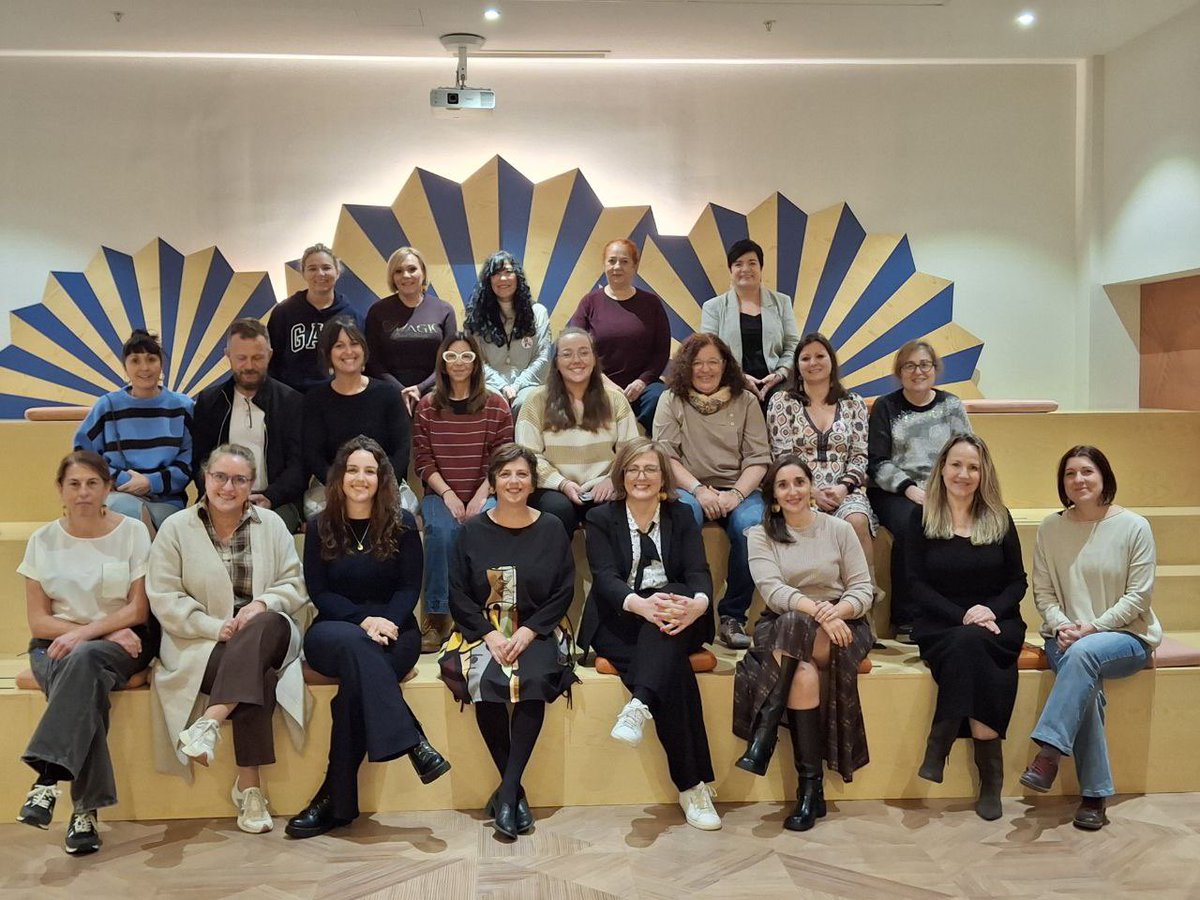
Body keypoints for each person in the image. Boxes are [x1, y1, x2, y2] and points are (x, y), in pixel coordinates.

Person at [286, 437, 451, 839]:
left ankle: (333, 801)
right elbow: (320, 592)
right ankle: (411, 738)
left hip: (396, 630)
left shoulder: (403, 523)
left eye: (370, 471)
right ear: (339, 477)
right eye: (353, 470)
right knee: (357, 648)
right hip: (335, 629)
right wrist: (364, 621)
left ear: (382, 479)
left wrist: (385, 621)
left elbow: (409, 587)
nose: (360, 478)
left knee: (353, 696)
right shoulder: (320, 524)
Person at [147, 444, 310, 835]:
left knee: (266, 624)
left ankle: (209, 723)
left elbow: (294, 583)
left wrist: (262, 604)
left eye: (239, 479)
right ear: (205, 478)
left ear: (251, 485)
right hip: (201, 643)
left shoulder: (272, 524)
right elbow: (164, 595)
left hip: (268, 632)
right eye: (220, 477)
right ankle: (250, 789)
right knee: (257, 676)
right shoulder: (176, 528)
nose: (228, 487)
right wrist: (212, 627)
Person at [15, 451, 157, 855]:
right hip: (57, 644)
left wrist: (95, 634)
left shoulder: (132, 532)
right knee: (83, 673)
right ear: (60, 490)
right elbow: (39, 623)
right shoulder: (43, 540)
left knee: (85, 660)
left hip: (125, 643)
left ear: (108, 488)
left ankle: (47, 779)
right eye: (74, 484)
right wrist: (90, 634)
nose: (83, 492)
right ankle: (84, 811)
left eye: (93, 483)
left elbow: (138, 609)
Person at [1019, 446, 1160, 831]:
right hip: (1064, 637)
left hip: (1126, 636)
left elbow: (1138, 596)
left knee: (1084, 655)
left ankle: (1049, 753)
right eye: (1070, 473)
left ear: (1104, 477)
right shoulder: (1051, 528)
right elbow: (1043, 593)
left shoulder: (1135, 527)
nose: (1078, 480)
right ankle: (1094, 797)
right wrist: (1065, 625)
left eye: (1087, 471)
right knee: (1087, 682)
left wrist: (1093, 628)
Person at [582, 438, 721, 830]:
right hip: (622, 618)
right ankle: (693, 786)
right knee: (674, 676)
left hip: (679, 617)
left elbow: (698, 571)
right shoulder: (600, 518)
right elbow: (605, 578)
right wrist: (641, 605)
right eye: (633, 469)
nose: (641, 477)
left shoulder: (682, 514)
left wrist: (697, 604)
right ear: (621, 475)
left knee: (672, 596)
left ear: (663, 477)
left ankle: (638, 705)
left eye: (650, 469)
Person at [442, 444, 577, 839]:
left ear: (533, 482)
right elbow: (457, 595)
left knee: (534, 679)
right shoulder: (471, 532)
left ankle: (505, 794)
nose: (514, 482)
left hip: (536, 628)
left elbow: (563, 590)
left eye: (521, 474)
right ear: (492, 482)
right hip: (483, 628)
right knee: (485, 681)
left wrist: (528, 631)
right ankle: (513, 794)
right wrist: (488, 634)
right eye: (505, 474)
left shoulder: (552, 527)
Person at [733, 456, 874, 832]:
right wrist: (817, 611)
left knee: (797, 628)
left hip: (842, 625)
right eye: (783, 485)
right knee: (803, 673)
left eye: (799, 482)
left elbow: (863, 589)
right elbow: (773, 591)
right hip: (782, 623)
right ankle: (811, 790)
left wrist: (834, 612)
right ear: (774, 497)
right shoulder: (760, 535)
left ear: (811, 486)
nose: (793, 490)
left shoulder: (839, 529)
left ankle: (764, 735)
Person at [906, 434, 1026, 821]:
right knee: (969, 644)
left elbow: (1017, 582)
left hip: (997, 621)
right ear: (942, 469)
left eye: (973, 467)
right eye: (956, 465)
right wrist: (963, 616)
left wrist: (987, 611)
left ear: (983, 473)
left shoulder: (999, 517)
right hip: (942, 622)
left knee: (972, 645)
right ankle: (991, 780)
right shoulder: (921, 518)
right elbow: (915, 585)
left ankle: (940, 739)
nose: (964, 474)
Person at [653, 333, 770, 650]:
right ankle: (684, 608)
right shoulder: (671, 399)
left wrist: (736, 495)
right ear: (686, 367)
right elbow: (665, 457)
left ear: (725, 365)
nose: (705, 370)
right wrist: (699, 491)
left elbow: (759, 459)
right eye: (697, 363)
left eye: (713, 362)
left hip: (739, 488)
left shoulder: (746, 401)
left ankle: (732, 616)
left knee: (752, 527)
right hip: (688, 486)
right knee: (683, 516)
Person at [412, 332, 514, 651]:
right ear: (442, 363)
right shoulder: (427, 407)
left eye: (466, 356)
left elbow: (502, 457)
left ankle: (496, 613)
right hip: (440, 493)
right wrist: (448, 495)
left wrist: (483, 494)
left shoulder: (496, 405)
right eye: (451, 356)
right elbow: (423, 460)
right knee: (441, 532)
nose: (459, 363)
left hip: (487, 490)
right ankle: (437, 617)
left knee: (493, 529)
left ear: (476, 363)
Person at [867, 339, 971, 642]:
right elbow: (876, 462)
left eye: (924, 364)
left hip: (946, 488)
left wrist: (948, 488)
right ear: (899, 372)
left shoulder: (951, 406)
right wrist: (909, 489)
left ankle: (957, 610)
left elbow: (968, 451)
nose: (918, 372)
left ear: (935, 369)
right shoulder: (886, 406)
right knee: (913, 521)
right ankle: (907, 618)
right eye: (909, 366)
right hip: (895, 492)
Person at [766, 332, 876, 576]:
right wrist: (811, 491)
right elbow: (781, 457)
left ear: (831, 361)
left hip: (844, 490)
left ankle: (865, 589)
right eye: (805, 358)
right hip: (798, 491)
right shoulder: (782, 402)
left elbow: (859, 456)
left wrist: (843, 488)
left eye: (819, 356)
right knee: (806, 522)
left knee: (857, 520)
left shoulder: (853, 402)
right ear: (797, 366)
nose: (813, 363)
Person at [514, 327, 638, 535]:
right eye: (567, 354)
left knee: (609, 510)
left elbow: (631, 451)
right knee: (558, 511)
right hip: (553, 487)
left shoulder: (616, 400)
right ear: (556, 362)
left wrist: (611, 480)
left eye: (583, 352)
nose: (576, 360)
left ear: (594, 359)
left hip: (603, 485)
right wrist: (562, 484)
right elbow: (527, 456)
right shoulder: (536, 400)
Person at [192, 318, 305, 533]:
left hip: (277, 502)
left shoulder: (292, 402)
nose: (250, 366)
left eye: (257, 358)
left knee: (258, 532)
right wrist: (220, 494)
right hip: (219, 498)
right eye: (241, 358)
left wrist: (271, 497)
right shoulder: (210, 401)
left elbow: (299, 466)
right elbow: (201, 461)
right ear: (228, 356)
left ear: (270, 355)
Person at [74, 329, 194, 530]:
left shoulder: (183, 407)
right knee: (126, 513)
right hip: (117, 494)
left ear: (161, 364)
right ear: (125, 367)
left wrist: (151, 482)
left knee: (166, 527)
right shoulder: (107, 406)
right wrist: (122, 481)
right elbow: (83, 455)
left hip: (168, 500)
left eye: (151, 359)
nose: (144, 368)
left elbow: (191, 459)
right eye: (135, 361)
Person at [302, 318, 412, 518]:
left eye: (354, 344)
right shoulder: (315, 399)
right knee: (317, 514)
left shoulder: (388, 394)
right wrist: (342, 487)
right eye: (339, 346)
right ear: (328, 353)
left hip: (384, 481)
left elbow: (402, 448)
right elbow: (313, 455)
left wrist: (379, 484)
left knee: (405, 514)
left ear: (364, 349)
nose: (348, 351)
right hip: (332, 485)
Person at [568, 239, 671, 433]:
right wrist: (604, 382)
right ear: (604, 265)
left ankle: (641, 446)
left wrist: (642, 382)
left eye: (624, 261)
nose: (617, 267)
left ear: (635, 266)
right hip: (597, 382)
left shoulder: (651, 303)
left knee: (660, 398)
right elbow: (575, 348)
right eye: (612, 261)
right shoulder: (589, 302)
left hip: (643, 387)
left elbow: (661, 351)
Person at [700, 238, 800, 405]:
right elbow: (709, 352)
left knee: (784, 402)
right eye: (738, 264)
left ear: (761, 268)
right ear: (730, 270)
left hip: (777, 383)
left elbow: (792, 344)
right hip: (731, 383)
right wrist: (739, 377)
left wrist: (781, 373)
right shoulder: (713, 307)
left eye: (752, 263)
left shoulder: (782, 302)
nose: (745, 269)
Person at [366, 245, 457, 413]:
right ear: (392, 277)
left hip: (435, 394)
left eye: (412, 269)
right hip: (389, 394)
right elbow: (373, 361)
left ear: (423, 272)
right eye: (398, 271)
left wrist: (420, 388)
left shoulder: (444, 310)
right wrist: (401, 390)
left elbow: (449, 359)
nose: (406, 275)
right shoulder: (377, 311)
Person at [267, 243, 362, 394]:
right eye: (312, 269)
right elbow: (271, 360)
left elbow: (360, 363)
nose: (320, 273)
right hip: (293, 397)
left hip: (337, 397)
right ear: (303, 273)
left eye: (326, 268)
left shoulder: (352, 316)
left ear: (337, 272)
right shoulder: (283, 312)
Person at [464, 250, 552, 411]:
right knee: (493, 402)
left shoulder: (538, 312)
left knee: (524, 403)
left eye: (508, 272)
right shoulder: (478, 316)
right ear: (488, 280)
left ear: (517, 277)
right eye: (496, 274)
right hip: (489, 385)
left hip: (528, 386)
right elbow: (476, 360)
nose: (503, 278)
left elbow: (543, 357)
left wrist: (517, 385)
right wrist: (502, 385)